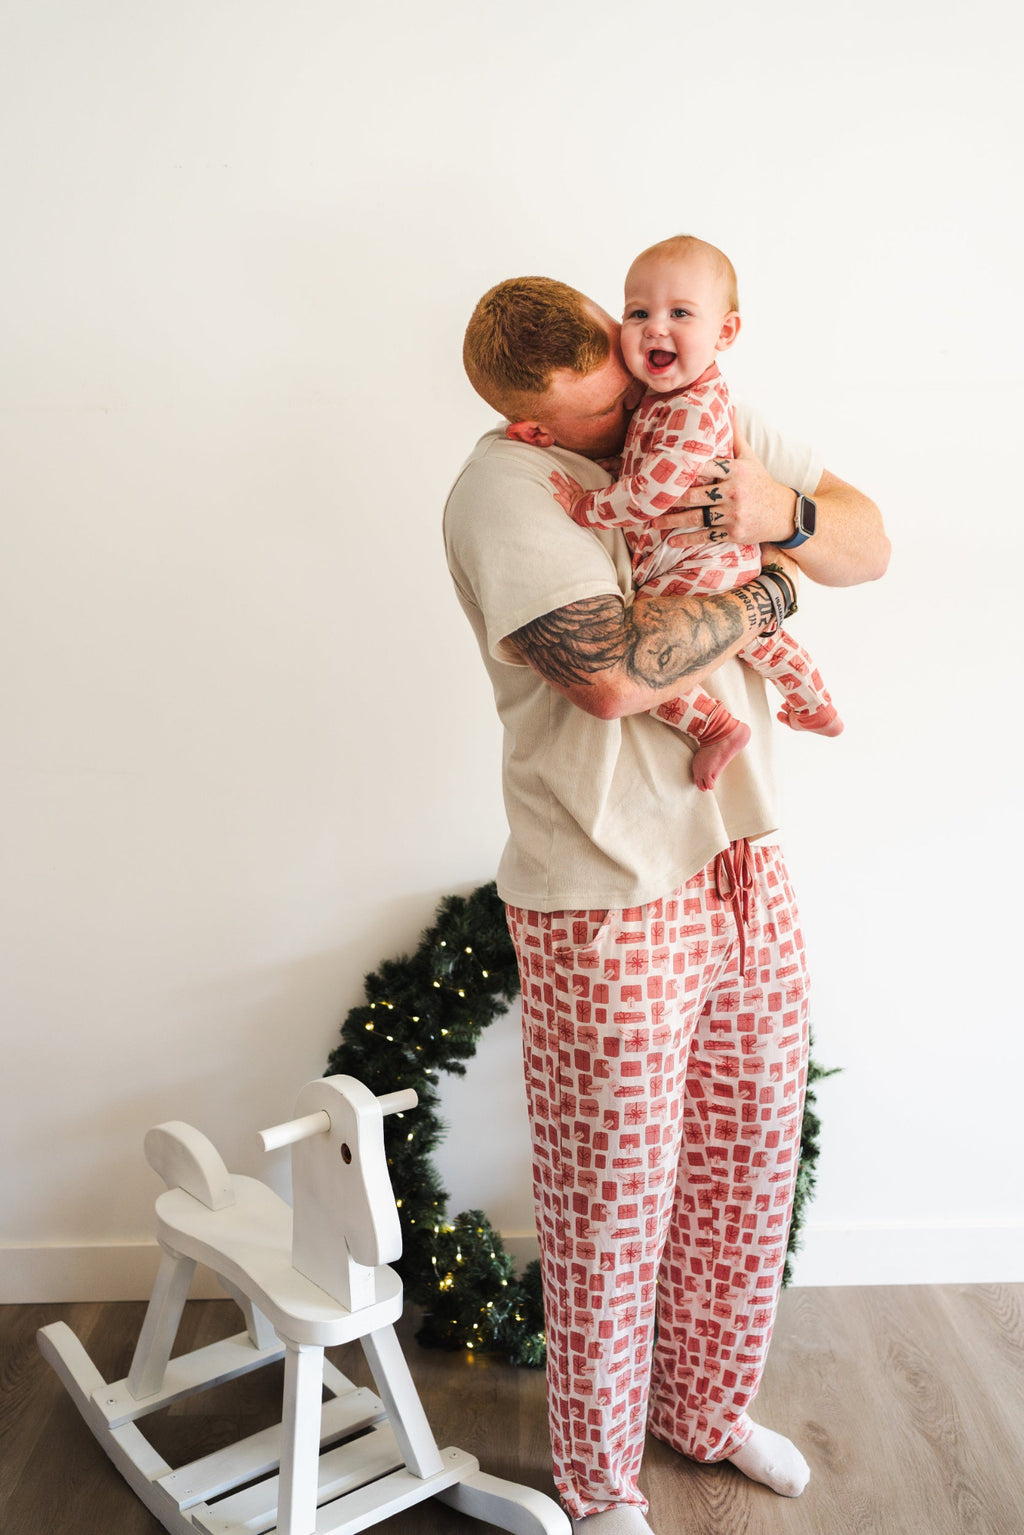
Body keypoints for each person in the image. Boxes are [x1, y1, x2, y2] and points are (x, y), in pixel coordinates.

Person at [444, 272, 888, 1535]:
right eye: (588, 423)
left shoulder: (679, 391)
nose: (622, 423)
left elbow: (868, 541)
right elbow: (610, 676)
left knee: (747, 1160)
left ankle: (706, 1406)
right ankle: (595, 1485)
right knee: (609, 1203)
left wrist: (784, 512)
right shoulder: (501, 490)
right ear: (531, 424)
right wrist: (765, 590)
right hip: (603, 888)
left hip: (742, 851)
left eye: (625, 389)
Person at [548, 234, 841, 792]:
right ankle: (815, 705)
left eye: (679, 313)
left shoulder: (697, 407)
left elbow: (651, 493)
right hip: (717, 563)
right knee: (764, 639)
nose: (655, 327)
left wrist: (585, 506)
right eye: (638, 313)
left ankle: (715, 728)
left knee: (648, 654)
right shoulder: (661, 396)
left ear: (724, 332)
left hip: (693, 568)